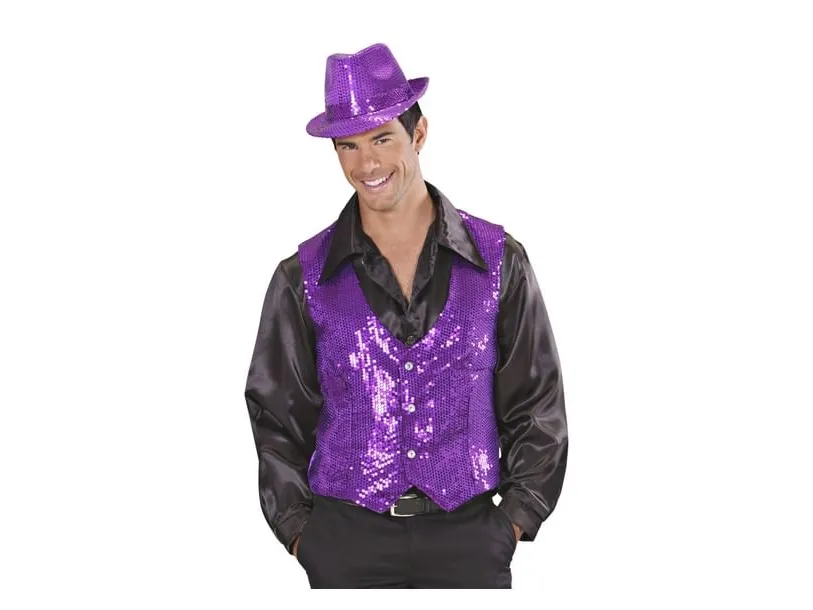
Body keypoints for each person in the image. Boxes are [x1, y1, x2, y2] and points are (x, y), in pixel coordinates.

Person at [244, 42, 568, 589]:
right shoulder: (302, 277)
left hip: (468, 538)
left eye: (381, 139)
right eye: (347, 146)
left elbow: (537, 402)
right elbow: (276, 416)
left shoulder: (499, 261)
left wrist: (512, 521)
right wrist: (303, 534)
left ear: (418, 134)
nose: (365, 164)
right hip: (345, 542)